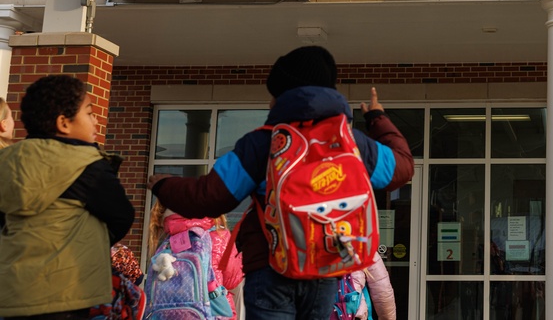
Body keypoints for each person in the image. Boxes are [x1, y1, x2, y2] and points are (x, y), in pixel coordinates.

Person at [148, 45, 414, 320]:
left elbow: (209, 197)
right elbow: (403, 168)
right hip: (324, 269)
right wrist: (377, 118)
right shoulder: (352, 144)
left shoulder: (262, 143)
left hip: (270, 266)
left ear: (281, 96)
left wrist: (163, 185)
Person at [0, 75, 135, 320]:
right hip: (65, 292)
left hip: (10, 290)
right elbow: (122, 215)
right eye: (90, 113)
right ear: (64, 123)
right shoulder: (86, 164)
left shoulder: (7, 160)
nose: (96, 121)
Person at [146, 199, 243, 317]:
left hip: (165, 314)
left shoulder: (166, 240)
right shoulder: (219, 235)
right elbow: (232, 280)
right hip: (212, 312)